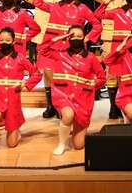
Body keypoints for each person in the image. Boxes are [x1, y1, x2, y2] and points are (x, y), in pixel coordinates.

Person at [18, 0, 82, 118]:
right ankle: (50, 105)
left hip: (61, 41)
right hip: (43, 39)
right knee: (46, 72)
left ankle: (62, 104)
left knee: (60, 72)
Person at [40, 24, 106, 155]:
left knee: (79, 145)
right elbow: (41, 49)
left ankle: (76, 128)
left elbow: (102, 78)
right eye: (73, 36)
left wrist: (89, 87)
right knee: (68, 115)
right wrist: (58, 38)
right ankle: (62, 144)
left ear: (84, 38)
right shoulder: (60, 54)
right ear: (68, 38)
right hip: (63, 95)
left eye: (79, 36)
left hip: (83, 99)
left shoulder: (91, 57)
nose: (76, 39)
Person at [0, 27, 42, 153]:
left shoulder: (20, 58)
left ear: (13, 41)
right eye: (1, 40)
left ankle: (16, 131)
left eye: (7, 40)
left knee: (12, 144)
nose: (4, 42)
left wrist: (25, 84)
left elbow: (37, 74)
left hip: (12, 100)